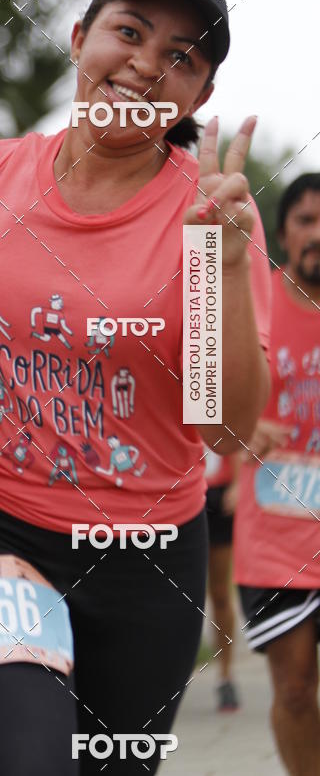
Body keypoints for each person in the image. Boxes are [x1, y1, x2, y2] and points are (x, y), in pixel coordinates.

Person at [0, 0, 272, 775]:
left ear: (200, 98)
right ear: (81, 37)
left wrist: (224, 268)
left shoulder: (209, 219)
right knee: (27, 762)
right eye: (130, 32)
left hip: (149, 559)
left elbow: (226, 433)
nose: (147, 64)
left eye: (181, 57)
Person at [234, 173, 320, 776]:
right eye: (306, 220)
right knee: (293, 687)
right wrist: (241, 425)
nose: (318, 234)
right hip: (275, 535)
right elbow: (198, 388)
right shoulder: (252, 298)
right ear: (284, 231)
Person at [203, 447, 240, 711]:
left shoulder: (202, 403)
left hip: (218, 493)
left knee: (220, 593)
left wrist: (238, 483)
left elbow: (230, 431)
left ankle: (226, 676)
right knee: (179, 596)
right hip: (179, 494)